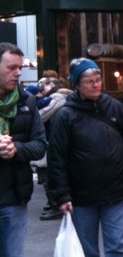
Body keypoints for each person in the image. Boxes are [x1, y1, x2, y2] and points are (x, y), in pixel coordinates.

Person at [47, 57, 123, 257]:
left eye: (98, 79)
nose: (96, 84)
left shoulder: (115, 107)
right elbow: (57, 158)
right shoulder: (65, 116)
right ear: (77, 85)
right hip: (81, 196)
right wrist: (62, 194)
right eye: (89, 81)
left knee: (118, 247)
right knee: (86, 249)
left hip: (116, 190)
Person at [0, 42, 47, 257]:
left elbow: (40, 146)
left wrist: (16, 150)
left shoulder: (27, 101)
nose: (18, 73)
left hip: (14, 199)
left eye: (20, 67)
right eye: (11, 68)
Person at [35, 77, 73, 221]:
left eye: (45, 84)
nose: (42, 87)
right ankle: (54, 203)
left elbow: (41, 116)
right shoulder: (55, 98)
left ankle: (56, 204)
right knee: (49, 173)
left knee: (49, 174)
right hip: (53, 140)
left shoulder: (57, 98)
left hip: (53, 141)